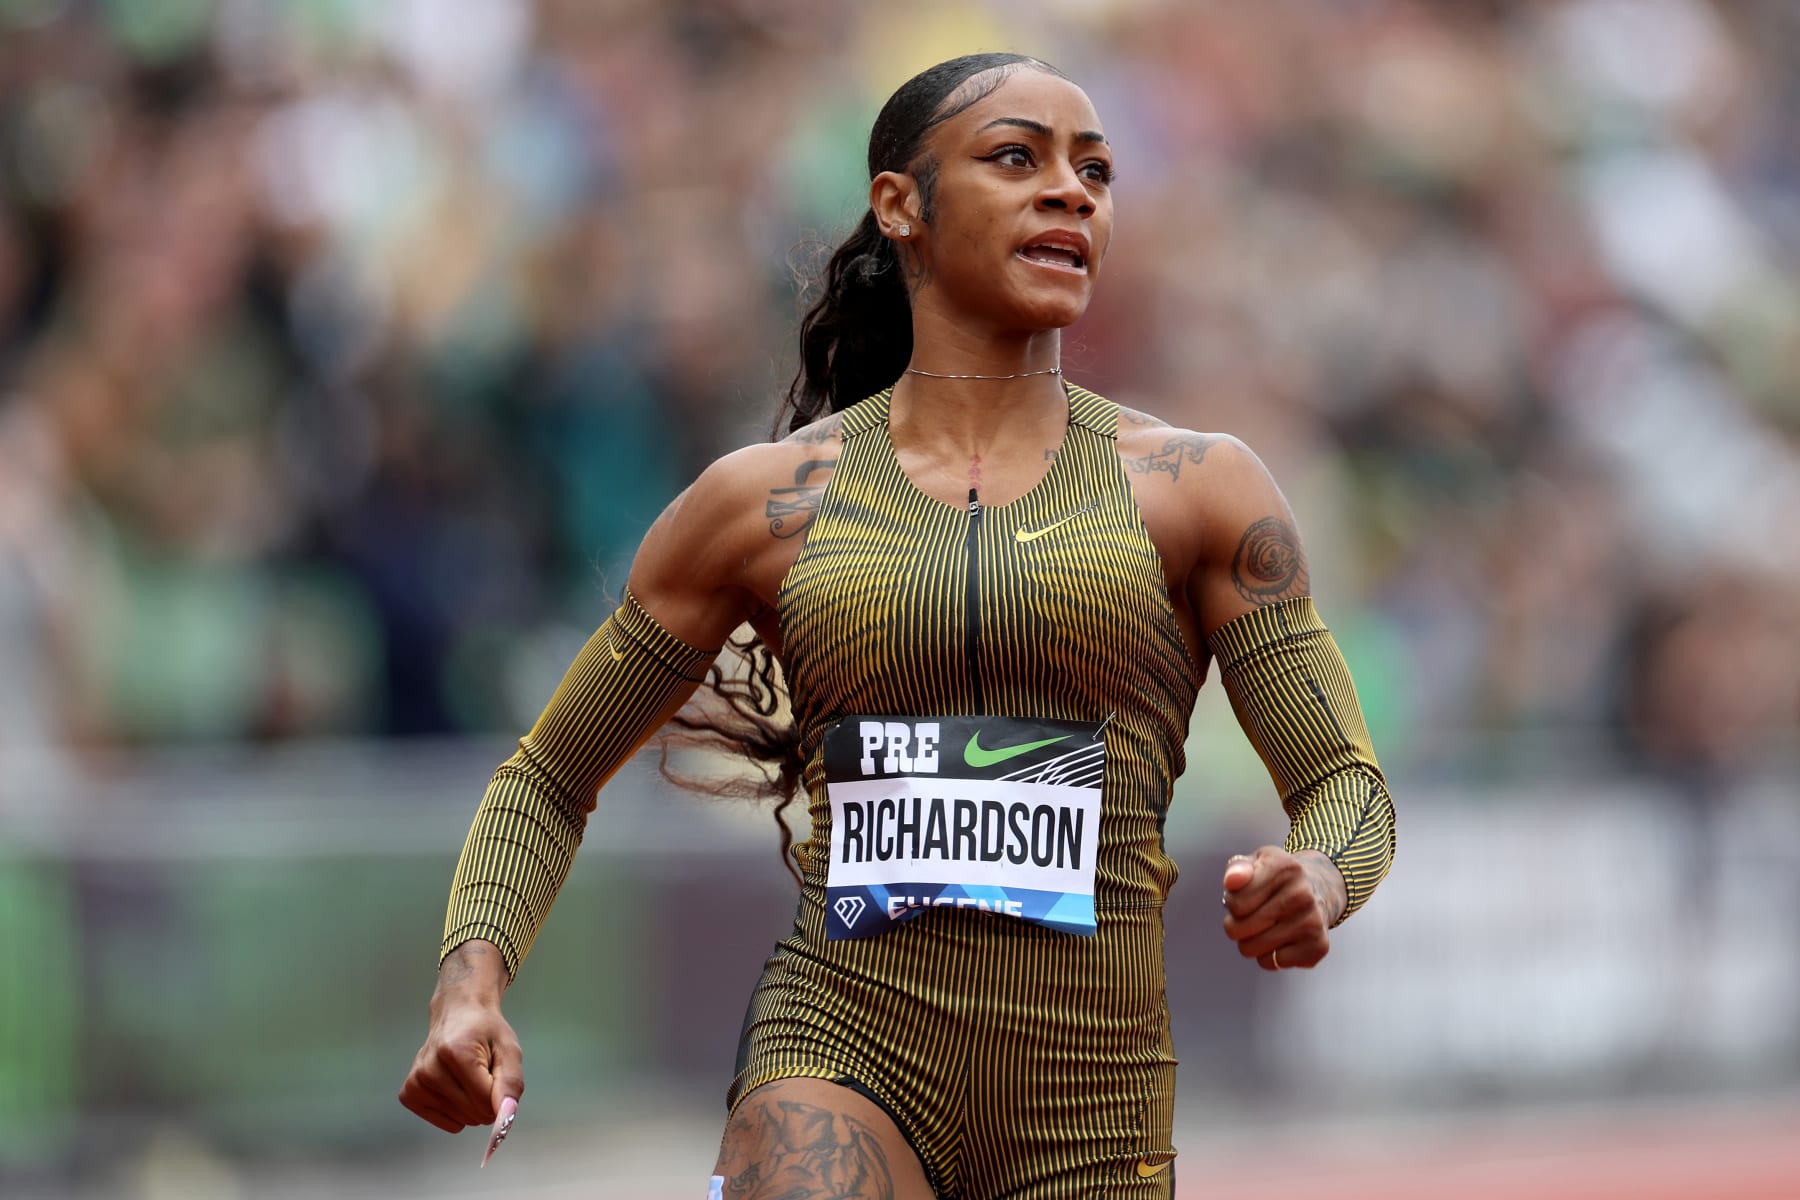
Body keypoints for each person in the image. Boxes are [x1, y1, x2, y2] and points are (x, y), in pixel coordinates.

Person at [398, 52, 1396, 1199]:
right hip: (837, 1051)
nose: (1072, 192)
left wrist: (1322, 872)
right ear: (901, 205)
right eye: (1017, 158)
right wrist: (468, 985)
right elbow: (547, 779)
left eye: (1098, 172)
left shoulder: (1201, 493)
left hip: (1090, 1107)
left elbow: (1345, 780)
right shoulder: (757, 507)